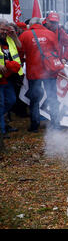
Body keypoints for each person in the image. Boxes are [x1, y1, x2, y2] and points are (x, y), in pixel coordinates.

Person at [19, 17, 63, 132]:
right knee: (53, 97)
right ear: (40, 23)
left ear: (31, 25)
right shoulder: (50, 34)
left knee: (34, 99)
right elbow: (57, 51)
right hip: (50, 71)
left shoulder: (25, 35)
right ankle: (56, 124)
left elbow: (19, 52)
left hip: (34, 72)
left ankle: (35, 125)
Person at [0, 21, 23, 151]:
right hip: (0, 79)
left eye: (5, 30)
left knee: (11, 101)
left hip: (9, 78)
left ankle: (3, 125)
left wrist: (14, 36)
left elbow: (19, 46)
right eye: (2, 29)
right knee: (1, 104)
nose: (4, 32)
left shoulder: (9, 39)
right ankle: (2, 130)